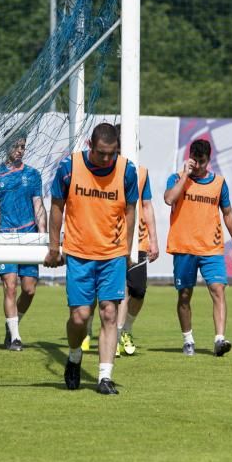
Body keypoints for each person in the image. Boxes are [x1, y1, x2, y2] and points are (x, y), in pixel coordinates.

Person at [45, 122, 138, 395]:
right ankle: (74, 357)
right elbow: (56, 206)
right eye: (101, 153)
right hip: (79, 254)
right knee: (79, 317)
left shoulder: (127, 171)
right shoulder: (69, 167)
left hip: (112, 255)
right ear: (90, 145)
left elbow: (130, 211)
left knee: (109, 313)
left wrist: (127, 250)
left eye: (111, 153)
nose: (107, 159)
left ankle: (104, 377)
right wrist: (54, 247)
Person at [164, 138, 232, 357]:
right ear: (189, 158)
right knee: (185, 295)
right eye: (194, 161)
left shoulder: (219, 183)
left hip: (211, 248)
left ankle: (219, 339)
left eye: (202, 161)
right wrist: (185, 176)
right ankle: (188, 339)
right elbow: (169, 199)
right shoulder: (177, 178)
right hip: (184, 247)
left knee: (218, 290)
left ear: (209, 159)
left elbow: (228, 214)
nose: (198, 166)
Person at [0, 135, 45, 351]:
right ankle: (16, 337)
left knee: (28, 290)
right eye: (16, 146)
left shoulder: (33, 174)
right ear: (6, 146)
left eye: (22, 147)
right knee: (10, 286)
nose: (20, 150)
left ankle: (11, 325)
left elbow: (38, 205)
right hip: (6, 238)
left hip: (29, 237)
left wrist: (43, 235)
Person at [115, 127, 160, 356]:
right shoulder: (109, 172)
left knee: (139, 291)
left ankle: (126, 329)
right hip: (113, 239)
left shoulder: (142, 173)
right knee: (118, 290)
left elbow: (147, 205)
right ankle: (113, 336)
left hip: (139, 241)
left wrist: (154, 239)